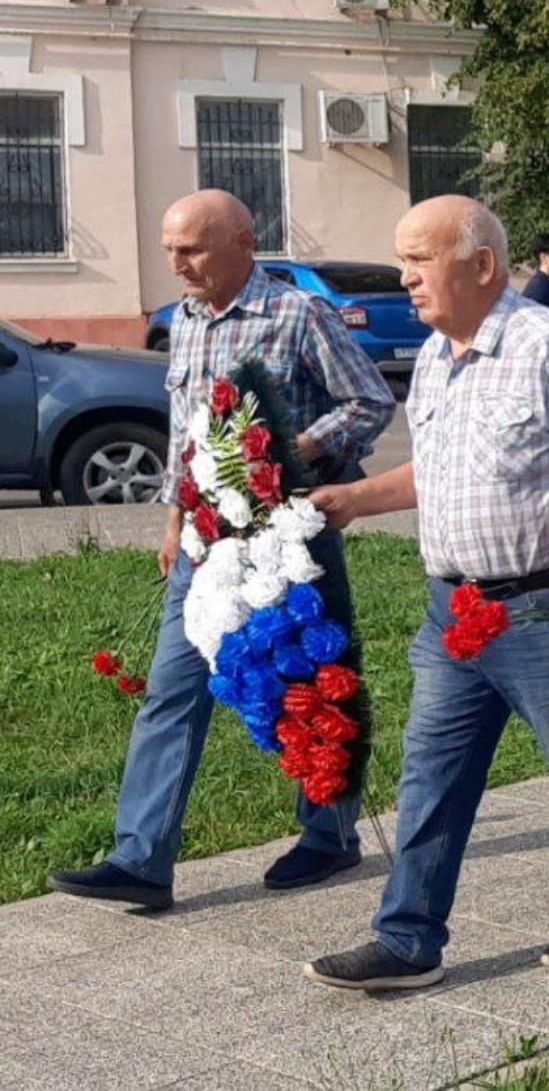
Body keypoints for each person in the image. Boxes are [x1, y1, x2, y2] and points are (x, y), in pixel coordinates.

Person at [303, 196, 549, 990]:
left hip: (543, 610)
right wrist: (356, 500)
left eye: (418, 261)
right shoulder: (436, 353)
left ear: (482, 265)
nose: (405, 279)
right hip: (453, 616)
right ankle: (407, 938)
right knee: (429, 776)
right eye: (403, 261)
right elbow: (440, 474)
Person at [49, 190, 395, 912]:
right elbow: (187, 430)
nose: (178, 264)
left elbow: (368, 401)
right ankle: (141, 859)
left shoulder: (296, 313)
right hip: (205, 543)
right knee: (174, 690)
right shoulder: (187, 321)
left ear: (243, 241)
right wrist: (175, 517)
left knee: (311, 678)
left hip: (286, 540)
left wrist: (292, 450)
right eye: (171, 250)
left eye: (193, 249)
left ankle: (329, 836)